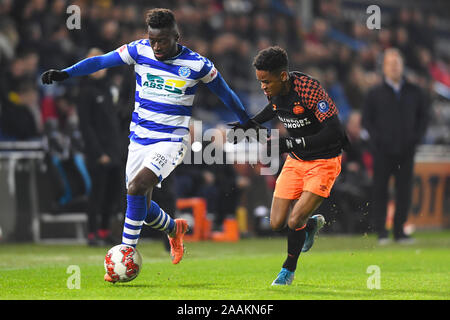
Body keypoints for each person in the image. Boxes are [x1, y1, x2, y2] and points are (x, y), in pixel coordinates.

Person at [41, 8, 257, 282]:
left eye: (162, 41)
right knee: (139, 202)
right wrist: (66, 73)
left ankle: (126, 253)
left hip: (171, 141)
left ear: (176, 36)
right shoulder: (139, 50)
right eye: (152, 40)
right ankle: (173, 229)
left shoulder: (197, 64)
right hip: (139, 139)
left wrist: (246, 121)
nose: (156, 47)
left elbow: (225, 93)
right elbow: (100, 62)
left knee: (136, 187)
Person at [231, 46, 348, 285]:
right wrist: (251, 123)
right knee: (276, 224)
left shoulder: (309, 89)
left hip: (324, 161)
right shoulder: (272, 89)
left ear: (283, 76)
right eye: (260, 81)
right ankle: (311, 224)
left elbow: (336, 133)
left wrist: (291, 142)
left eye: (266, 81)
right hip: (296, 160)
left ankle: (287, 271)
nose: (263, 87)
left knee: (294, 221)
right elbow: (274, 107)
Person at [362, 48, 429, 245]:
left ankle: (399, 231)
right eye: (390, 64)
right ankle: (382, 232)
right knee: (380, 190)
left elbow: (423, 118)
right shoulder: (374, 93)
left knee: (404, 191)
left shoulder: (415, 92)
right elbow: (367, 121)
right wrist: (377, 142)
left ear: (402, 66)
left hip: (406, 150)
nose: (394, 67)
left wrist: (416, 138)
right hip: (382, 151)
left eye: (397, 63)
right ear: (384, 68)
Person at [76, 48, 124, 246]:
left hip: (114, 151)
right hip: (99, 153)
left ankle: (105, 231)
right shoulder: (85, 92)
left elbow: (116, 122)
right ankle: (92, 233)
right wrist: (98, 153)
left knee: (112, 194)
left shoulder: (109, 90)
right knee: (97, 193)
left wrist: (118, 150)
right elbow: (86, 127)